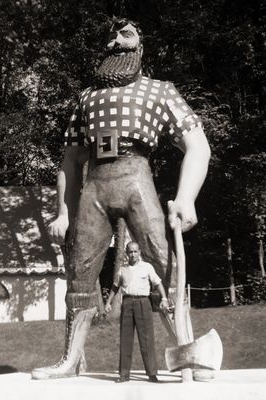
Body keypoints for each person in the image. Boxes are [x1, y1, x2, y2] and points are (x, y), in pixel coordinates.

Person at [31, 17, 211, 380]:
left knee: (163, 263)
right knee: (79, 270)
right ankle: (70, 358)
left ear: (140, 45)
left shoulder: (160, 91)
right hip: (95, 184)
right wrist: (62, 212)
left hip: (136, 179)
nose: (116, 41)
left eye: (125, 34)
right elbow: (71, 158)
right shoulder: (86, 98)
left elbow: (197, 145)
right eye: (111, 36)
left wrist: (186, 197)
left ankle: (188, 352)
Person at [105, 241, 168, 383]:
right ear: (126, 254)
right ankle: (124, 374)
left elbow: (157, 283)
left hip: (143, 303)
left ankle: (152, 373)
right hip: (127, 303)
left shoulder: (147, 267)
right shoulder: (122, 270)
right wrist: (108, 302)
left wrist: (164, 298)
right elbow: (115, 287)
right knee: (125, 339)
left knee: (146, 339)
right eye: (130, 252)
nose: (132, 254)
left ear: (139, 252)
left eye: (135, 251)